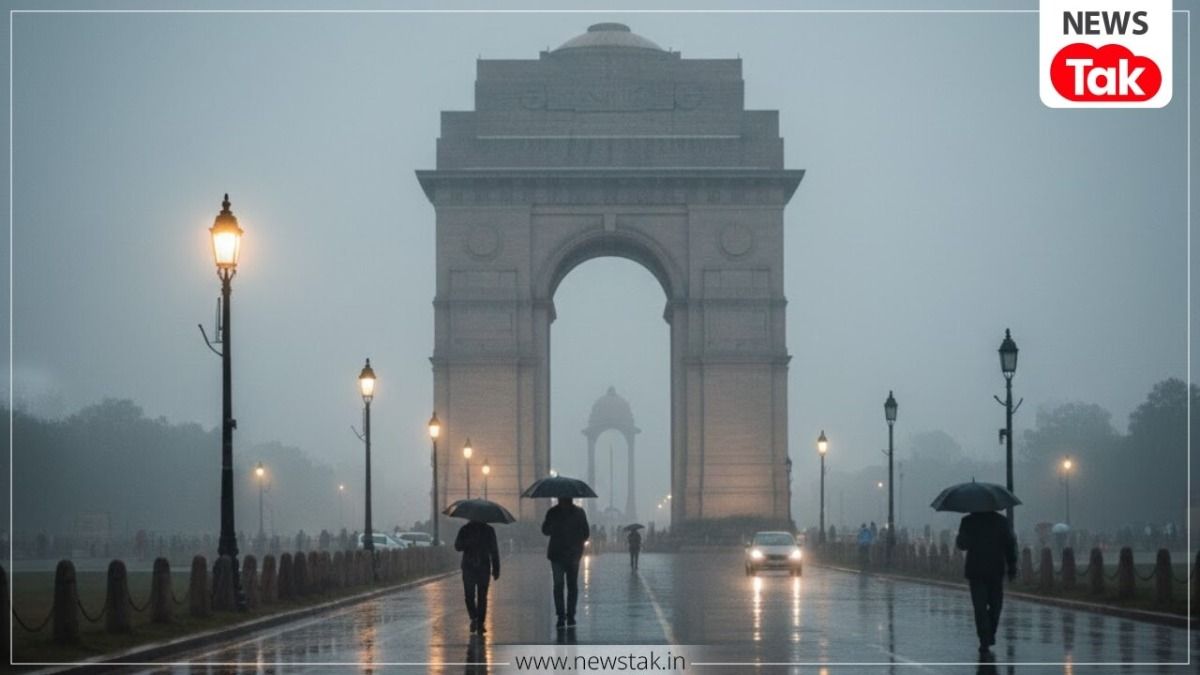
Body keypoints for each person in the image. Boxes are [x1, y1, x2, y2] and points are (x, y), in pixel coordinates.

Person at [955, 510, 1017, 657]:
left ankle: (987, 634)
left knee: (993, 607)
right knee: (983, 607)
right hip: (982, 571)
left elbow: (1009, 544)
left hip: (990, 570)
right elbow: (962, 544)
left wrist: (1012, 564)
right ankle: (985, 639)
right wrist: (1012, 565)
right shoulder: (970, 522)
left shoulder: (995, 521)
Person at [541, 497, 590, 628]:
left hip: (558, 554)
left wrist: (554, 527)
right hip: (572, 554)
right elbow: (586, 533)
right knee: (571, 586)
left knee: (559, 586)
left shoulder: (552, 512)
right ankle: (570, 616)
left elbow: (545, 530)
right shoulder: (579, 513)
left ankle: (562, 616)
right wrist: (577, 543)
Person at [455, 519, 500, 635]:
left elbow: (494, 550)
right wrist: (468, 542)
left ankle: (480, 622)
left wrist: (496, 568)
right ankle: (475, 618)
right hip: (469, 567)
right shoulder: (465, 530)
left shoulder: (488, 531)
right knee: (470, 596)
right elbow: (457, 546)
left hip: (482, 567)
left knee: (481, 596)